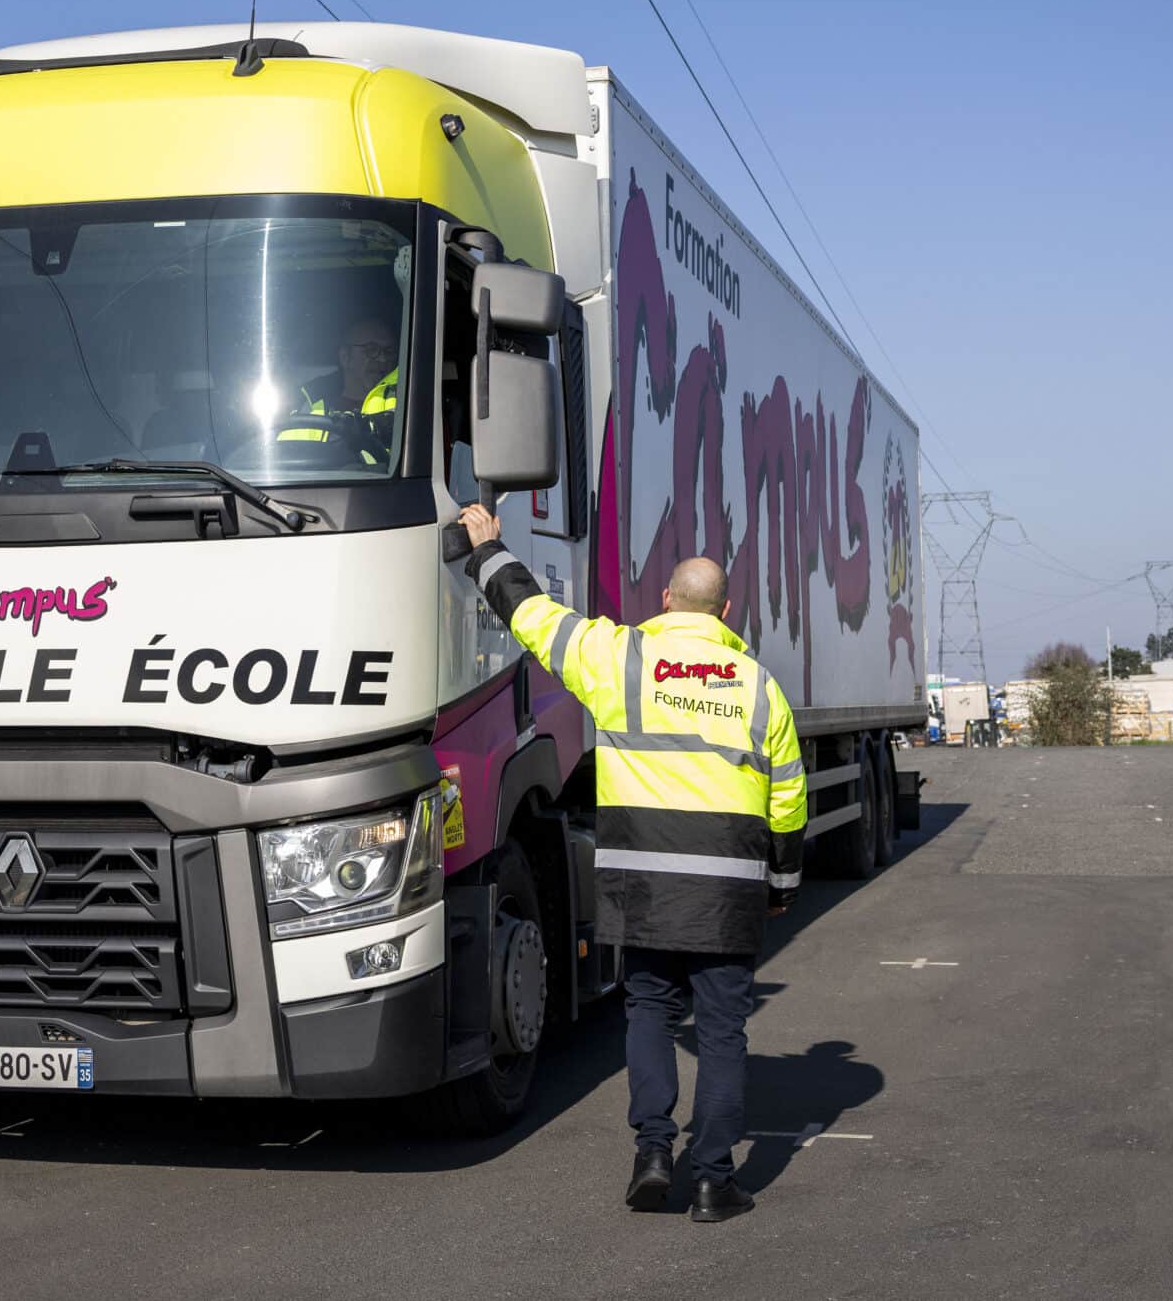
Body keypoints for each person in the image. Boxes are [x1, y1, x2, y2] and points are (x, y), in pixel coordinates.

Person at [456, 503, 806, 1225]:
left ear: (669, 602)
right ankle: (713, 1180)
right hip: (727, 888)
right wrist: (780, 885)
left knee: (648, 1009)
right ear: (727, 610)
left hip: (644, 882)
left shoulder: (622, 658)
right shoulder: (758, 685)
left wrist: (489, 549)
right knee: (721, 1032)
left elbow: (534, 618)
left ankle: (653, 1151)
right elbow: (789, 799)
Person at [276, 314, 397, 456]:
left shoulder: (406, 400)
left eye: (389, 352)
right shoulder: (307, 404)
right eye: (371, 349)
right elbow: (287, 462)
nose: (383, 359)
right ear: (345, 356)